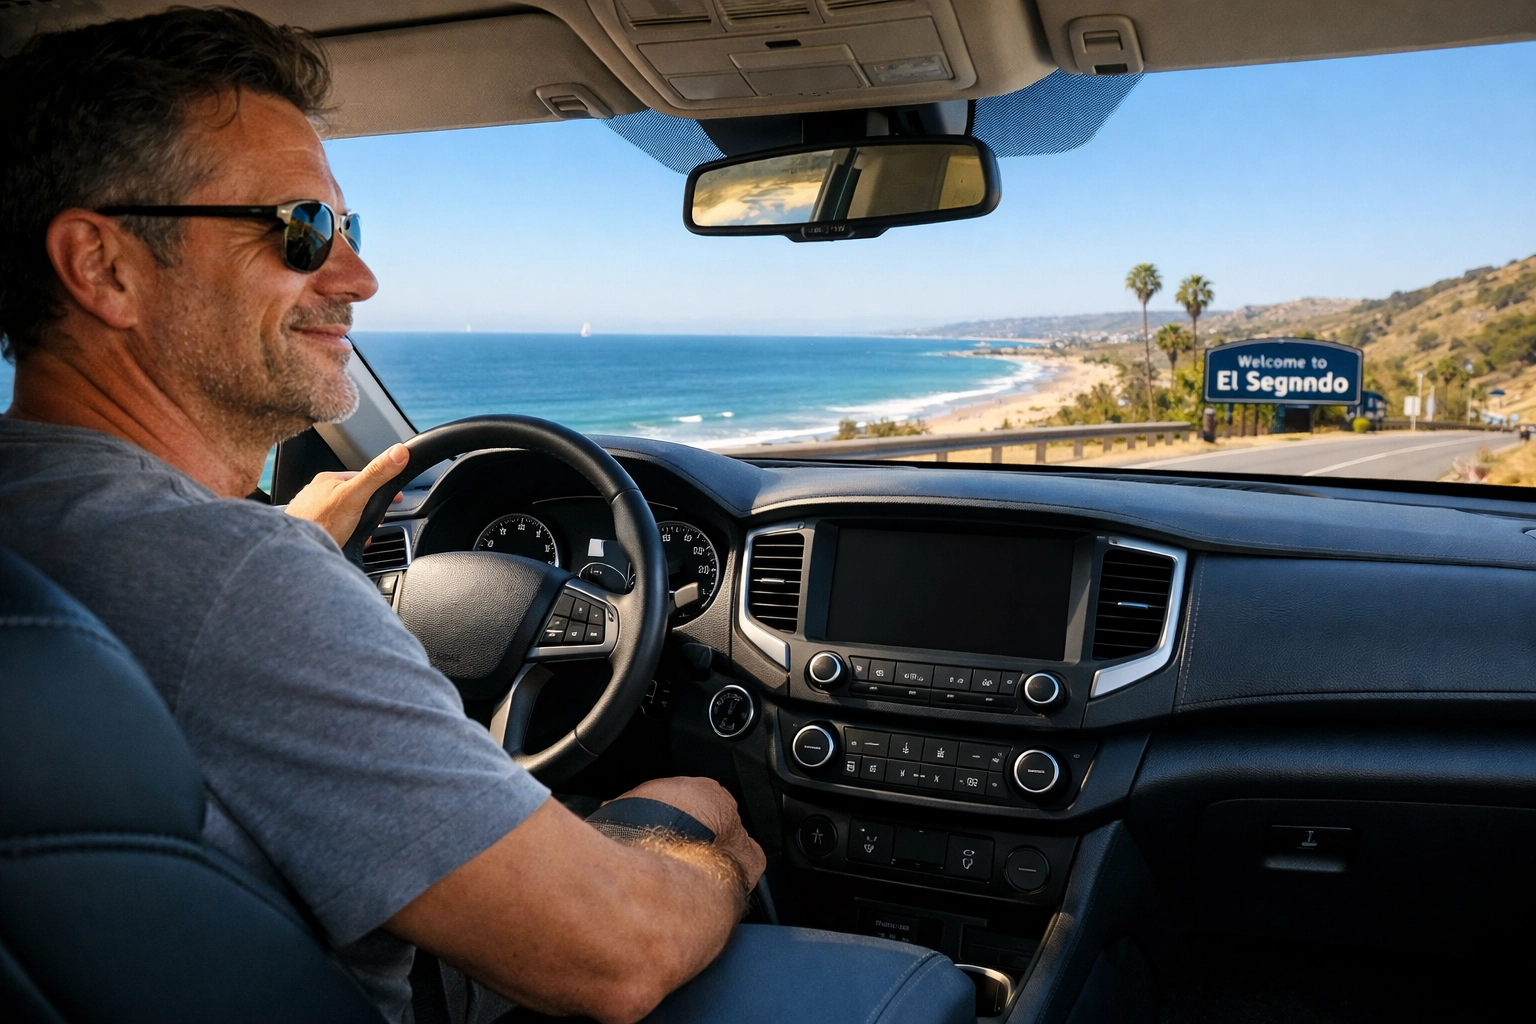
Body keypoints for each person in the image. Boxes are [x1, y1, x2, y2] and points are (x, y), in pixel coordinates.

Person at [0, 9, 764, 1024]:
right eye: (301, 230)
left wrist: (288, 546)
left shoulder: (68, 532)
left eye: (349, 231)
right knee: (700, 810)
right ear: (105, 266)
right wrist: (713, 856)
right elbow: (617, 954)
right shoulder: (241, 580)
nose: (358, 278)